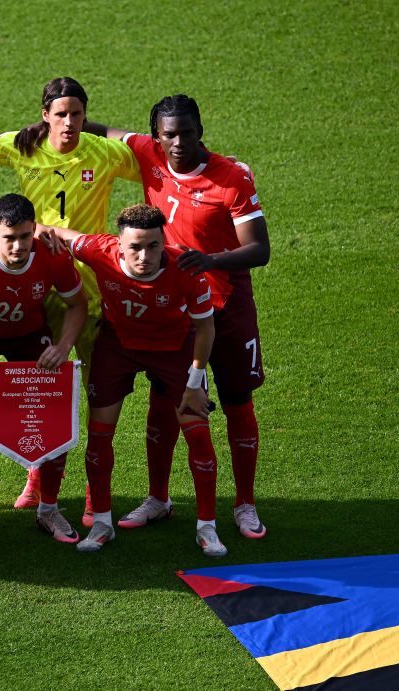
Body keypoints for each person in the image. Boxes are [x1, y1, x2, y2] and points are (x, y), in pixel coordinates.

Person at [84, 95, 270, 539]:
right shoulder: (148, 154)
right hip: (176, 308)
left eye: (187, 132)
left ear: (200, 130)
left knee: (237, 402)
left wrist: (209, 260)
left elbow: (260, 249)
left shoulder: (231, 177)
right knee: (165, 397)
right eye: (170, 134)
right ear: (156, 138)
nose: (180, 142)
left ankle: (244, 503)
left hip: (226, 306)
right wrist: (55, 123)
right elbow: (103, 131)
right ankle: (159, 498)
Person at [0, 77, 141, 511]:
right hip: (37, 288)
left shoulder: (104, 154)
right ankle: (36, 475)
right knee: (43, 389)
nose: (69, 123)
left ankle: (92, 490)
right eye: (60, 114)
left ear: (87, 116)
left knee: (96, 395)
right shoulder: (20, 147)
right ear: (44, 115)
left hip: (92, 290)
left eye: (77, 114)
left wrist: (210, 161)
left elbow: (159, 167)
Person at [48, 204, 228, 557]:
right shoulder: (99, 250)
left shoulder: (187, 270)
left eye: (153, 247)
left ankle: (207, 527)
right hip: (118, 347)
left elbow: (206, 329)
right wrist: (42, 232)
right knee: (99, 435)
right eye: (135, 247)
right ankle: (101, 523)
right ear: (119, 244)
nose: (144, 256)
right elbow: (58, 234)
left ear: (164, 243)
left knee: (199, 435)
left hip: (174, 349)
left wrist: (194, 384)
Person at [0, 194, 87, 549]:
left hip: (27, 334)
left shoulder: (51, 255)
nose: (18, 245)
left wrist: (63, 346)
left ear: (35, 230)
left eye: (25, 236)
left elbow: (77, 304)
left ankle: (48, 508)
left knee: (55, 412)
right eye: (9, 238)